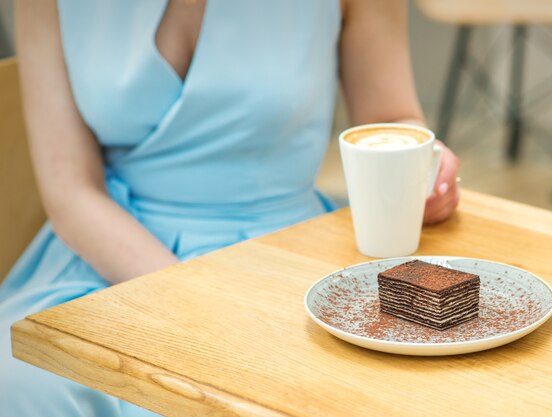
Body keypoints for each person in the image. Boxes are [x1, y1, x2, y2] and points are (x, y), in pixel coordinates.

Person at [0, 0, 460, 415]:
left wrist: (424, 168)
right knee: (32, 381)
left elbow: (394, 118)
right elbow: (69, 191)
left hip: (288, 255)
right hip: (107, 255)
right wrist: (193, 304)